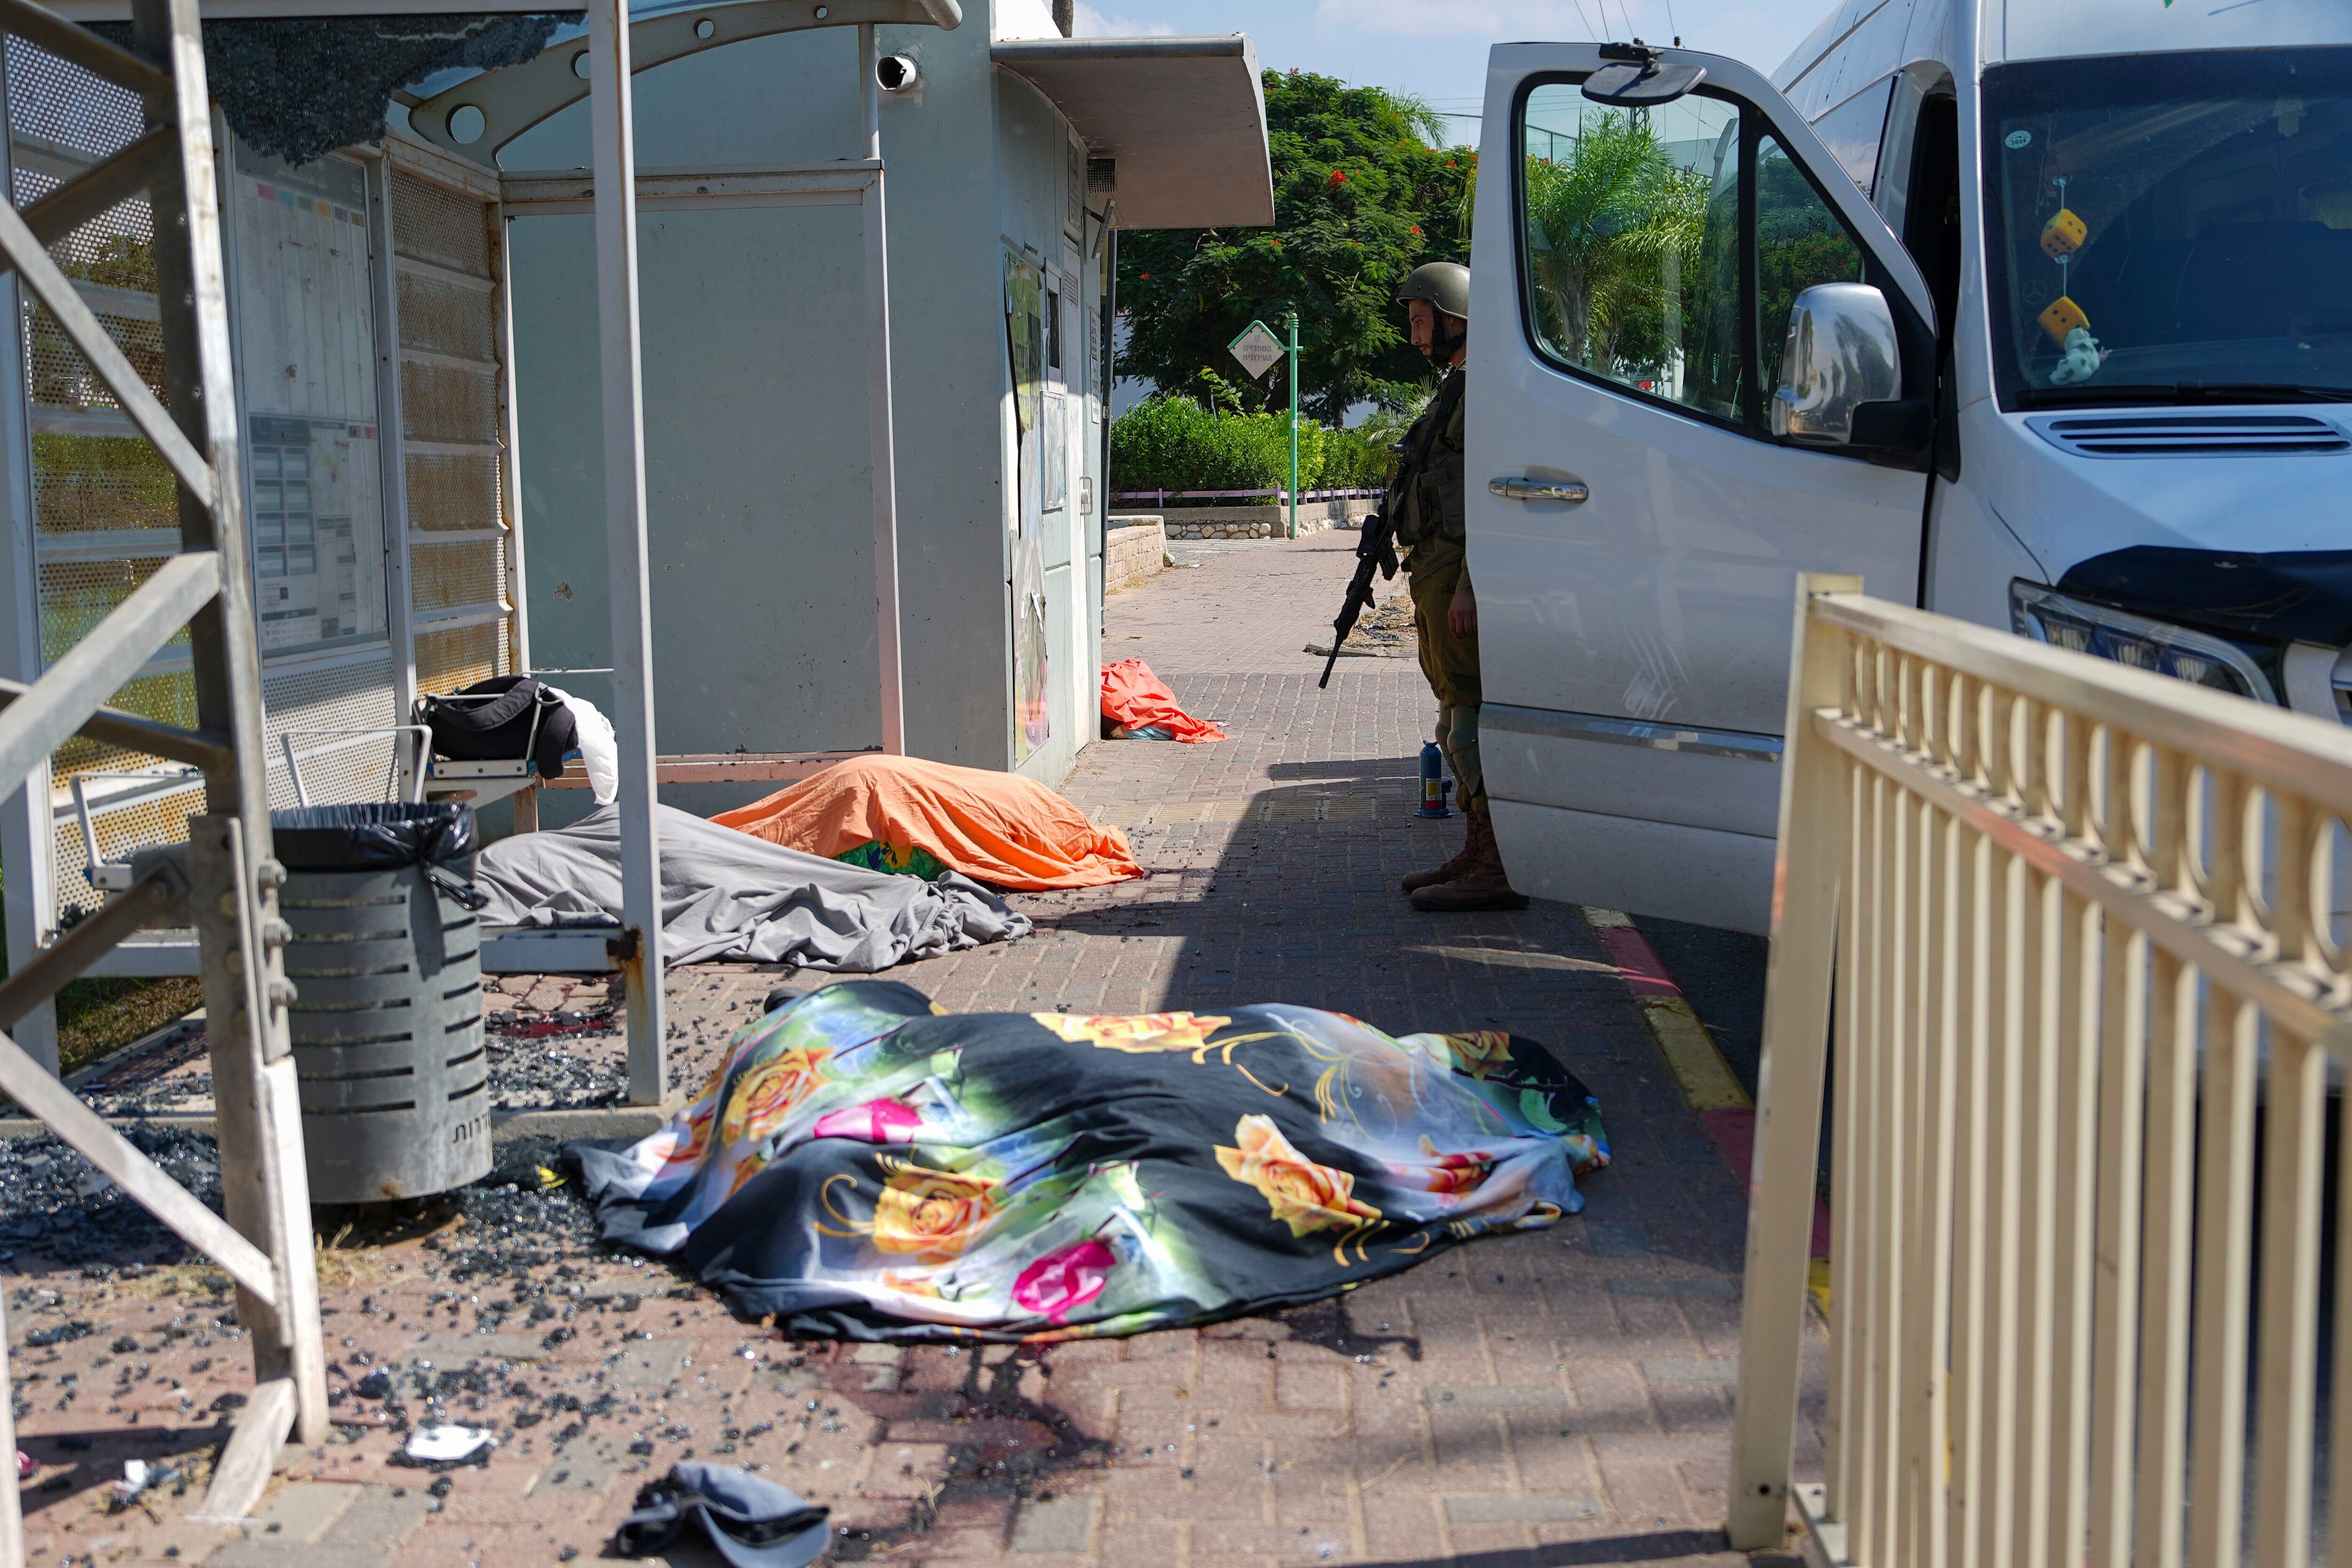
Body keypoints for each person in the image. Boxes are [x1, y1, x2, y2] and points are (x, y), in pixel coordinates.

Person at [1390, 262, 1526, 913]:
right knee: (1453, 710)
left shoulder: (1484, 393)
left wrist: (1473, 584)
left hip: (1458, 575)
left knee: (1469, 713)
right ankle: (1478, 849)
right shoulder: (1459, 388)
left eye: (1422, 323)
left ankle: (1497, 862)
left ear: (1454, 320)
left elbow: (1489, 498)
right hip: (1436, 571)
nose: (1416, 338)